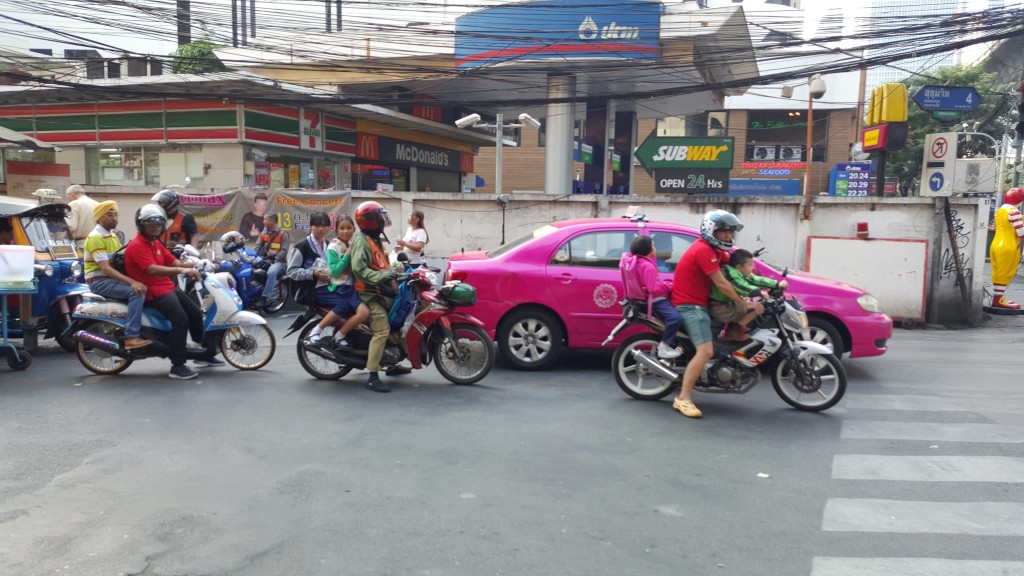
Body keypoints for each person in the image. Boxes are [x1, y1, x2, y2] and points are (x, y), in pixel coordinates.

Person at [669, 210, 763, 419]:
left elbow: (740, 271)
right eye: (724, 232)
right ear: (712, 231)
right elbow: (721, 282)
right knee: (705, 352)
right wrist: (744, 302)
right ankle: (683, 398)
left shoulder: (718, 252)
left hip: (701, 303)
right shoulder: (704, 250)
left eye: (730, 232)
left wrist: (763, 284)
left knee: (740, 311)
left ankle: (731, 335)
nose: (729, 236)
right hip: (690, 306)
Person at [125, 203, 222, 380]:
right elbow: (152, 269)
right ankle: (178, 365)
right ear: (142, 225)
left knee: (194, 312)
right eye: (151, 223)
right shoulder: (137, 245)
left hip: (166, 286)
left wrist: (199, 264)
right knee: (180, 319)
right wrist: (182, 271)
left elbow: (175, 263)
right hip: (153, 291)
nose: (156, 227)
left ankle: (204, 354)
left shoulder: (156, 243)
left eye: (159, 223)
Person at [82, 201, 151, 350]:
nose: (114, 218)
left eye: (116, 215)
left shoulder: (113, 236)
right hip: (100, 281)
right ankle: (132, 336)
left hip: (110, 279)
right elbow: (106, 268)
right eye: (109, 215)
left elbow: (120, 260)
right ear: (99, 218)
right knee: (136, 292)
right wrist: (132, 282)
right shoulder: (95, 237)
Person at [351, 201, 400, 393]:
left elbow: (382, 265)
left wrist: (398, 270)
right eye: (380, 217)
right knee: (382, 331)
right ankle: (372, 376)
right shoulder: (361, 241)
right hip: (369, 296)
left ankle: (393, 364)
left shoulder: (376, 240)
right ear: (370, 221)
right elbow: (359, 269)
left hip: (382, 292)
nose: (383, 221)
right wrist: (382, 276)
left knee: (399, 322)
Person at [305, 215, 370, 350]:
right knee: (361, 312)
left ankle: (344, 335)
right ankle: (327, 332)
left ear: (354, 229)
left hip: (353, 287)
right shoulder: (333, 248)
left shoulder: (353, 245)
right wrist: (348, 254)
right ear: (336, 231)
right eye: (342, 228)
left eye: (348, 228)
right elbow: (334, 272)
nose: (345, 231)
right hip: (341, 288)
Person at [620, 235, 681, 359]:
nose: (655, 248)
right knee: (675, 319)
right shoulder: (648, 266)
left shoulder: (637, 262)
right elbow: (653, 288)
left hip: (641, 299)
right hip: (655, 300)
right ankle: (665, 347)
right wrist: (669, 286)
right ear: (647, 249)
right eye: (653, 245)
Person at [711, 248, 788, 341]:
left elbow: (756, 280)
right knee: (757, 307)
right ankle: (733, 332)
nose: (752, 268)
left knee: (755, 305)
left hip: (728, 304)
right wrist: (759, 292)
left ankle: (736, 328)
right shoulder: (729, 271)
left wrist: (776, 285)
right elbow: (741, 286)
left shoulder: (739, 273)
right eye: (750, 265)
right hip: (719, 307)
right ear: (739, 267)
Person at [989, 187, 1024, 310]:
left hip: (996, 243)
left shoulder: (1000, 211)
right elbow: (1021, 231)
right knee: (1006, 272)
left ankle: (997, 298)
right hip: (1009, 245)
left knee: (998, 271)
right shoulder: (1014, 212)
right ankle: (999, 300)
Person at [253, 213, 290, 306]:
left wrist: (275, 259)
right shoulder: (263, 234)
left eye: (265, 220)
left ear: (273, 221)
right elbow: (257, 247)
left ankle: (264, 297)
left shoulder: (283, 234)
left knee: (271, 272)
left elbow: (284, 251)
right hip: (265, 260)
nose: (263, 221)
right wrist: (252, 258)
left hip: (279, 262)